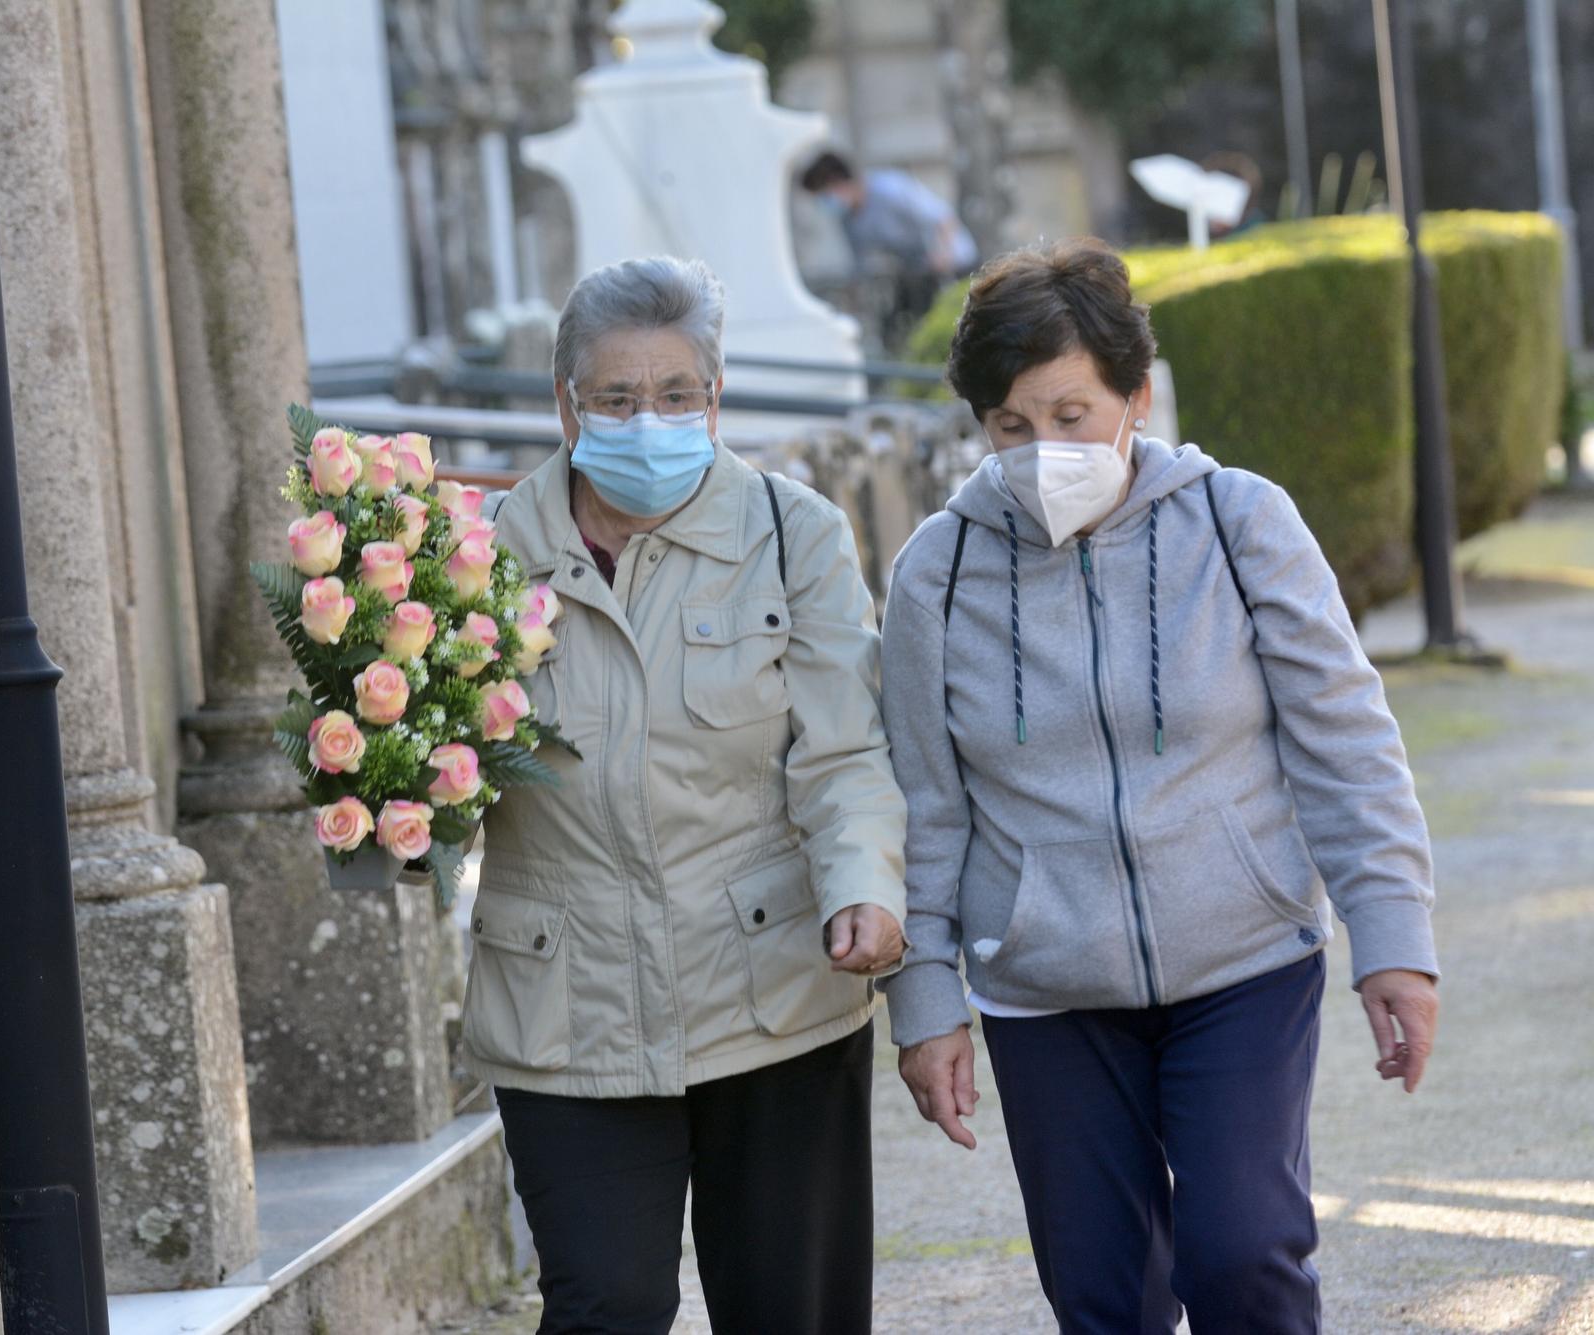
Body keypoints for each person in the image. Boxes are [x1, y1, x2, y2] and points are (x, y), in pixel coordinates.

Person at [878, 238, 1442, 1333]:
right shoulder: (933, 576)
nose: (1044, 449)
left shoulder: (1237, 523)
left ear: (1134, 396)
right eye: (1010, 426)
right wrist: (926, 1001)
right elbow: (925, 805)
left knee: (1242, 1258)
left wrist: (1393, 939)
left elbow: (1344, 742)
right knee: (1100, 1298)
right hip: (1042, 990)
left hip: (1241, 961)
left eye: (1070, 413)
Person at [466, 255, 909, 1334]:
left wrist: (864, 888)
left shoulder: (790, 531)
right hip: (568, 1011)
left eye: (675, 396)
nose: (645, 421)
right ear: (564, 403)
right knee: (604, 1304)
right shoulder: (472, 556)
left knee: (788, 1310)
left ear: (714, 397)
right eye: (615, 399)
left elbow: (841, 748)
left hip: (771, 993)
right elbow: (433, 779)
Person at [801, 149, 977, 346]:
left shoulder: (889, 189)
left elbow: (943, 219)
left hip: (953, 263)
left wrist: (943, 255)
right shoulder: (849, 219)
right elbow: (860, 264)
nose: (824, 203)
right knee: (896, 330)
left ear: (837, 183)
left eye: (824, 194)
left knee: (956, 327)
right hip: (917, 271)